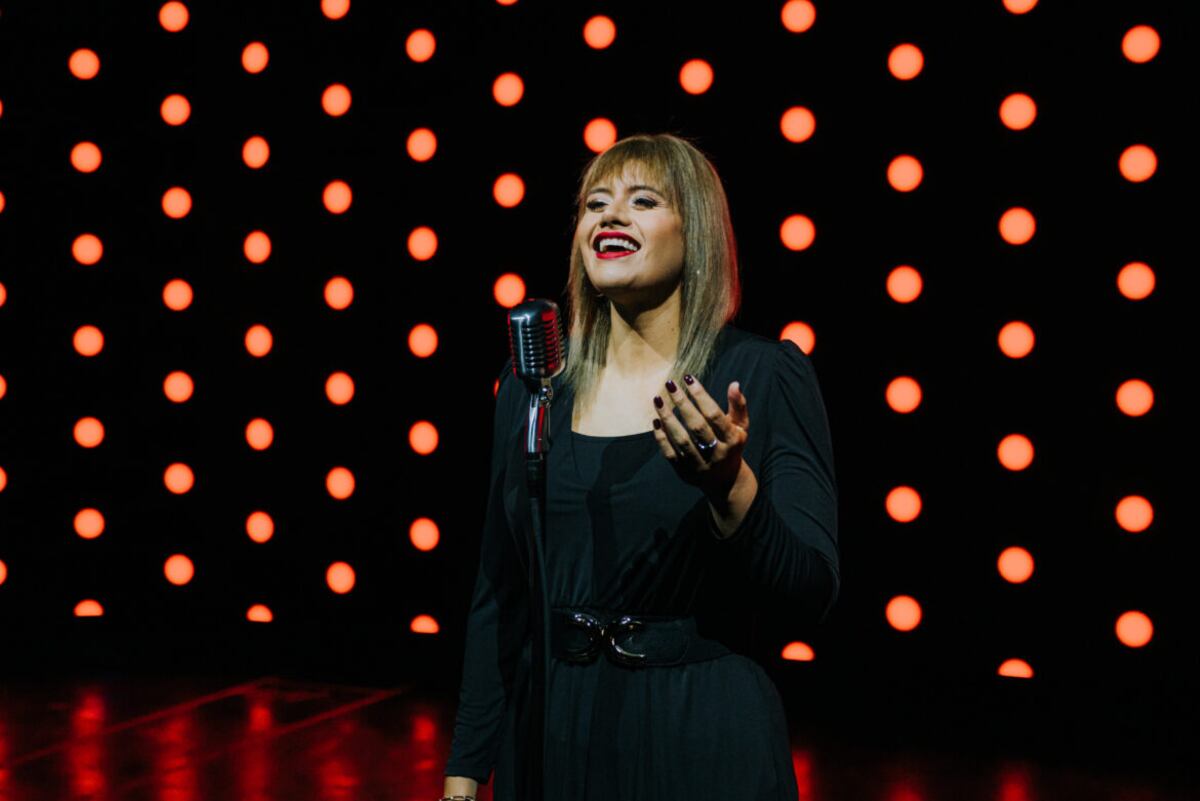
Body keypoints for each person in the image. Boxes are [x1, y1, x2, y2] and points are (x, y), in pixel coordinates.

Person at [441, 132, 840, 800]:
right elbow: (498, 592)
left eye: (643, 200)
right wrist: (463, 771)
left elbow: (811, 592)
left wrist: (729, 487)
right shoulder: (533, 384)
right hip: (552, 731)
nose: (610, 216)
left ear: (698, 235)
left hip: (700, 731)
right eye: (595, 203)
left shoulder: (762, 376)